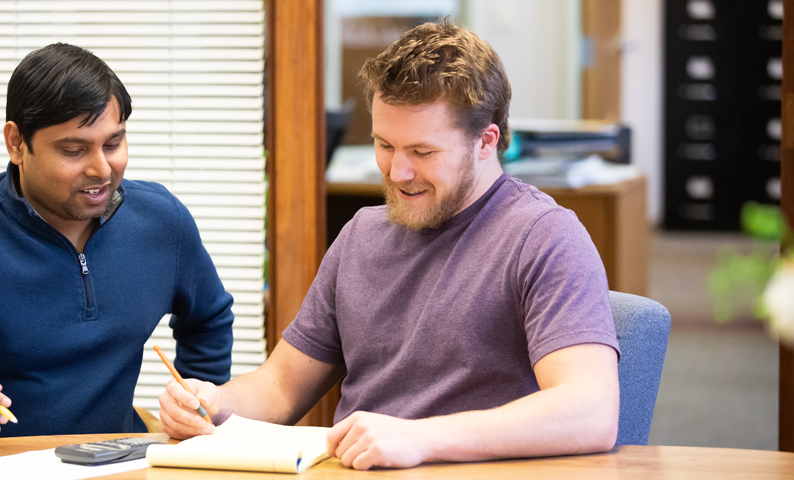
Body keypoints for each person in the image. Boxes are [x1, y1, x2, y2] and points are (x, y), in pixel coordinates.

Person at [159, 19, 620, 470]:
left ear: (486, 142)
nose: (397, 173)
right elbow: (281, 385)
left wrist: (420, 437)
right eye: (384, 145)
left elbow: (590, 412)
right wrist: (216, 403)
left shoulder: (544, 237)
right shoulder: (362, 234)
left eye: (422, 153)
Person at [0, 43, 234, 448]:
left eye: (113, 144)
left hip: (117, 462)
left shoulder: (161, 221)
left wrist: (195, 412)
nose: (101, 169)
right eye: (74, 150)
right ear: (16, 144)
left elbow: (209, 319)